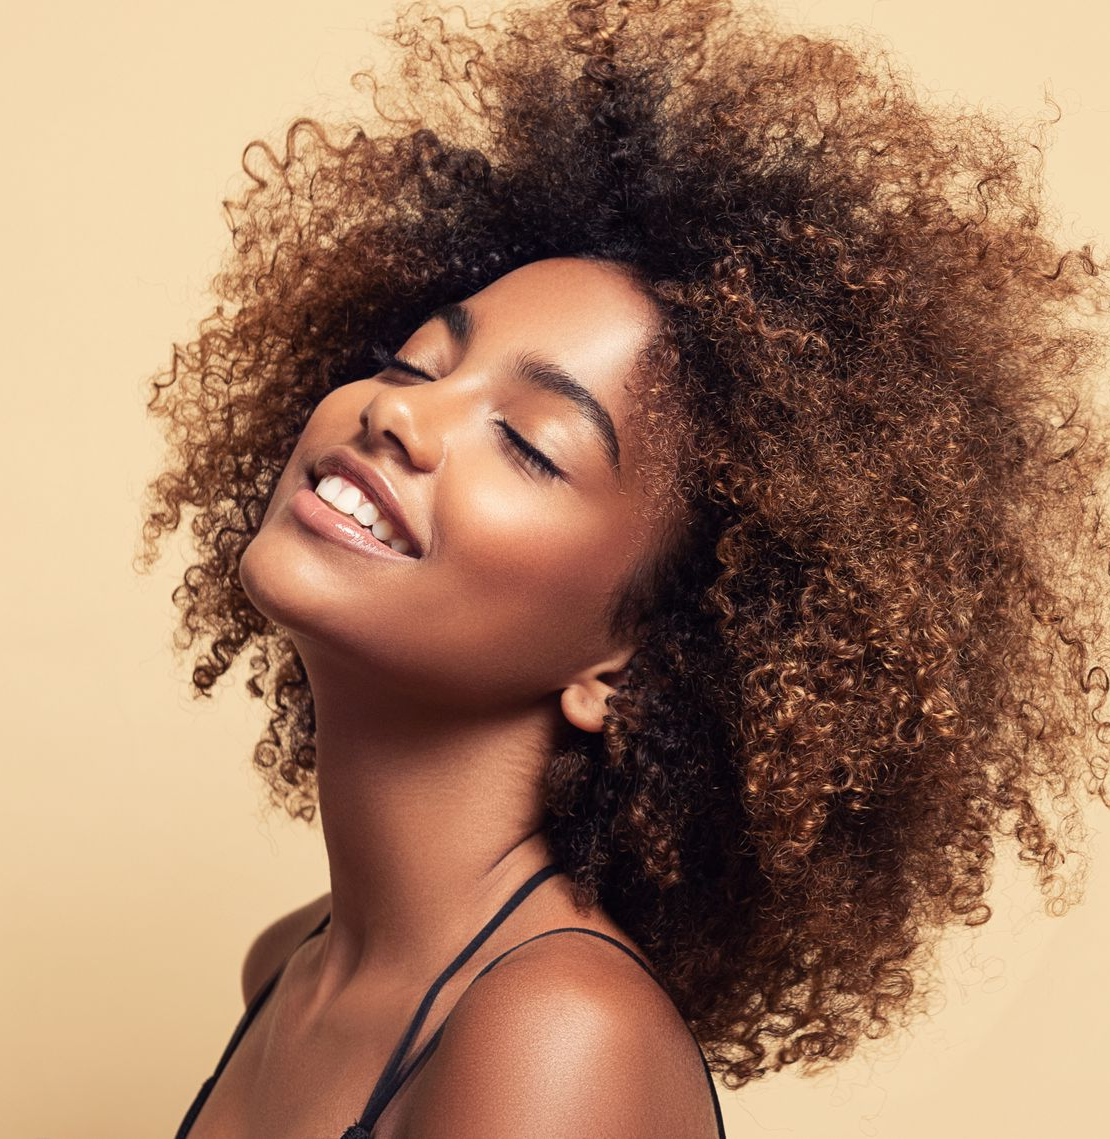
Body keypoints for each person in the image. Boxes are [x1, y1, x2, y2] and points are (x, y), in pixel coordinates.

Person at [136, 1, 1110, 1136]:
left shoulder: (555, 1036)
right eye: (415, 358)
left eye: (531, 441)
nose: (400, 411)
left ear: (629, 655)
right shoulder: (290, 966)